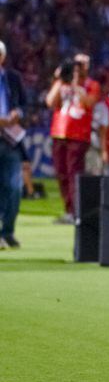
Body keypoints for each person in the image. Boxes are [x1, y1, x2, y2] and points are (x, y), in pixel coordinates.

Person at [45, 53, 100, 224]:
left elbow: (88, 103)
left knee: (74, 173)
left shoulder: (92, 85)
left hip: (78, 135)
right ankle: (69, 209)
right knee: (61, 173)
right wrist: (60, 79)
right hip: (59, 132)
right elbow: (49, 102)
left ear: (88, 66)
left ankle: (77, 211)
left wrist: (76, 83)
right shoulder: (62, 82)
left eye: (82, 63)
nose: (78, 67)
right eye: (76, 63)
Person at [0, 41, 27, 249]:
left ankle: (7, 231)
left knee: (15, 188)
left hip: (10, 140)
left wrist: (18, 113)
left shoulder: (12, 78)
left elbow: (24, 104)